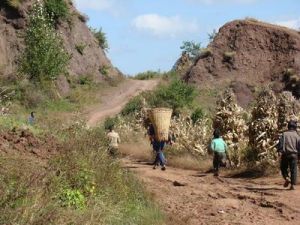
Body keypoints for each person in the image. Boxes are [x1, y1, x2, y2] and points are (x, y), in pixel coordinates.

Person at [277, 120, 300, 190]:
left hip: (285, 154)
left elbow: (280, 143)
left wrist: (279, 151)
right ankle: (292, 185)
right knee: (294, 170)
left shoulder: (284, 134)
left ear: (288, 126)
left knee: (283, 167)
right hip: (294, 155)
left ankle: (287, 177)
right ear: (295, 127)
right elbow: (299, 146)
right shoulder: (297, 136)